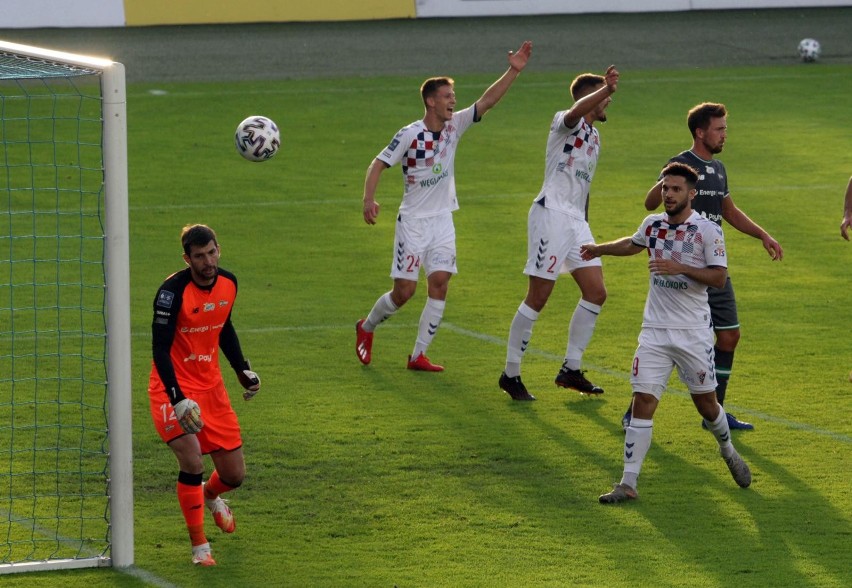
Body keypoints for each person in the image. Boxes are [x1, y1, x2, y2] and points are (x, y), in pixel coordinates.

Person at [580, 162, 752, 504]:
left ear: (691, 194)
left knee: (706, 404)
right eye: (665, 188)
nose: (668, 194)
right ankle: (628, 483)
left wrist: (680, 268)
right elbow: (632, 244)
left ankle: (728, 450)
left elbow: (718, 278)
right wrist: (599, 249)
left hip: (693, 334)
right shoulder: (653, 225)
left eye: (675, 189)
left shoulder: (706, 231)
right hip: (654, 333)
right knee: (642, 400)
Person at [355, 41, 533, 372]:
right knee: (404, 292)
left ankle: (418, 355)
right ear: (430, 101)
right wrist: (369, 198)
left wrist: (513, 70)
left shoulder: (455, 127)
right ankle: (366, 328)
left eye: (453, 95)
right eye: (447, 96)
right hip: (412, 223)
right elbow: (378, 163)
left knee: (440, 283)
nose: (453, 100)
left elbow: (487, 102)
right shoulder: (410, 134)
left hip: (442, 222)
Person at [622, 102, 783, 430]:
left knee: (729, 338)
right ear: (700, 132)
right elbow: (650, 203)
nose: (725, 134)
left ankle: (716, 414)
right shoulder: (682, 165)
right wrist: (669, 174)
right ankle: (634, 412)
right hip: (681, 268)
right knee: (668, 342)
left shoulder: (719, 169)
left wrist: (762, 235)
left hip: (713, 267)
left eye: (725, 128)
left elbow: (730, 211)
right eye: (719, 128)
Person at [499, 66, 619, 401]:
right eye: (603, 97)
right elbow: (575, 111)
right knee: (538, 296)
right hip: (550, 214)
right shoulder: (565, 122)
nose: (607, 102)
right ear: (588, 97)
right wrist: (605, 88)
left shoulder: (595, 136)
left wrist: (586, 226)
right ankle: (511, 373)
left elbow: (584, 186)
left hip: (577, 222)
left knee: (596, 292)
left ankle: (571, 369)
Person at [147, 224, 261, 566]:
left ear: (218, 249)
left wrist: (242, 370)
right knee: (193, 460)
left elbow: (224, 326)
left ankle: (212, 496)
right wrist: (177, 397)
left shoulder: (229, 283)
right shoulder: (171, 293)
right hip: (172, 388)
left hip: (211, 388)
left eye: (211, 252)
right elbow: (160, 349)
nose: (208, 261)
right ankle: (199, 546)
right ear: (187, 258)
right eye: (199, 256)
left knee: (233, 475)